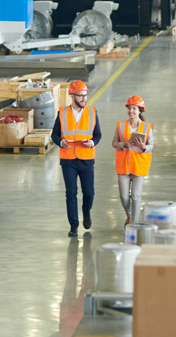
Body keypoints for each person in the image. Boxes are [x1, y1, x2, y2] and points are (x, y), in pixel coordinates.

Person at [51, 80, 102, 237]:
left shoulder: (92, 113)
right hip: (68, 160)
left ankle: (86, 211)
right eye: (80, 96)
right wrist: (61, 141)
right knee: (71, 193)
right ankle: (73, 225)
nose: (83, 99)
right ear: (72, 96)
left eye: (85, 96)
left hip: (86, 159)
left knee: (89, 193)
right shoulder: (62, 113)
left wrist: (92, 142)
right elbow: (54, 134)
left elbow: (98, 134)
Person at [112, 96, 153, 226]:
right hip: (123, 165)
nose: (131, 111)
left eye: (134, 108)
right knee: (124, 197)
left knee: (135, 196)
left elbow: (151, 146)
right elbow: (114, 143)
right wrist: (124, 144)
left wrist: (144, 147)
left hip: (139, 165)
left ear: (140, 111)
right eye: (129, 108)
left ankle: (134, 224)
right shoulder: (121, 126)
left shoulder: (147, 128)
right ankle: (129, 215)